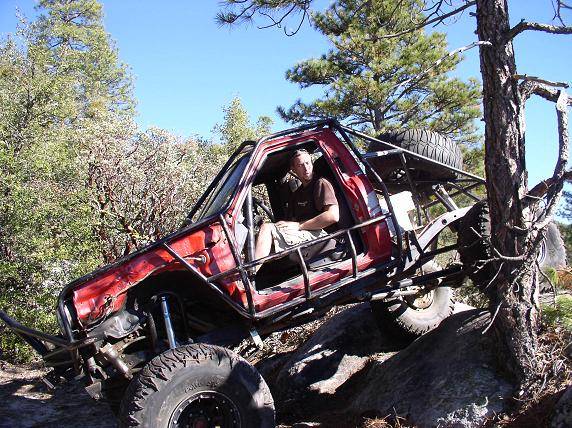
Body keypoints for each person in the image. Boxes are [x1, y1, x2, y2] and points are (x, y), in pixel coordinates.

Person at [253, 149, 339, 272]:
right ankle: (260, 277)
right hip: (304, 233)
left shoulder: (320, 184)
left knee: (267, 228)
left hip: (319, 234)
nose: (306, 168)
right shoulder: (297, 194)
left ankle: (250, 276)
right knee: (260, 238)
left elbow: (333, 216)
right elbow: (292, 219)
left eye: (308, 163)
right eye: (300, 165)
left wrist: (299, 226)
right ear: (293, 169)